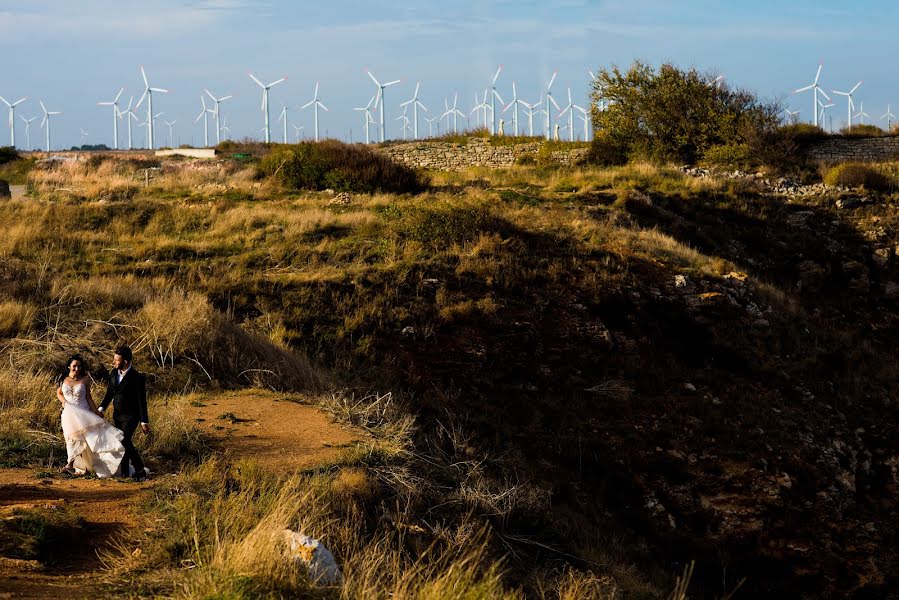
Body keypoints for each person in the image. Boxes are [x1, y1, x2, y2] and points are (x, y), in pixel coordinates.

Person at [57, 354, 125, 478]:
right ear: (69, 366)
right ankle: (74, 465)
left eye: (79, 366)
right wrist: (63, 401)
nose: (77, 369)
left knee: (86, 439)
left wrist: (96, 411)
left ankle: (71, 465)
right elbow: (59, 393)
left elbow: (88, 397)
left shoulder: (85, 380)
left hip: (83, 412)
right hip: (68, 413)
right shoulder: (64, 379)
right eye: (74, 366)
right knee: (70, 438)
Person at [98, 345, 151, 481]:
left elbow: (141, 401)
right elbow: (110, 392)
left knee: (124, 440)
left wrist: (144, 421)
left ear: (125, 361)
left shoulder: (137, 377)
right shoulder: (113, 373)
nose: (114, 362)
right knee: (123, 444)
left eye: (117, 360)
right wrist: (102, 407)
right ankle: (125, 474)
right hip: (117, 415)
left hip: (131, 416)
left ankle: (139, 469)